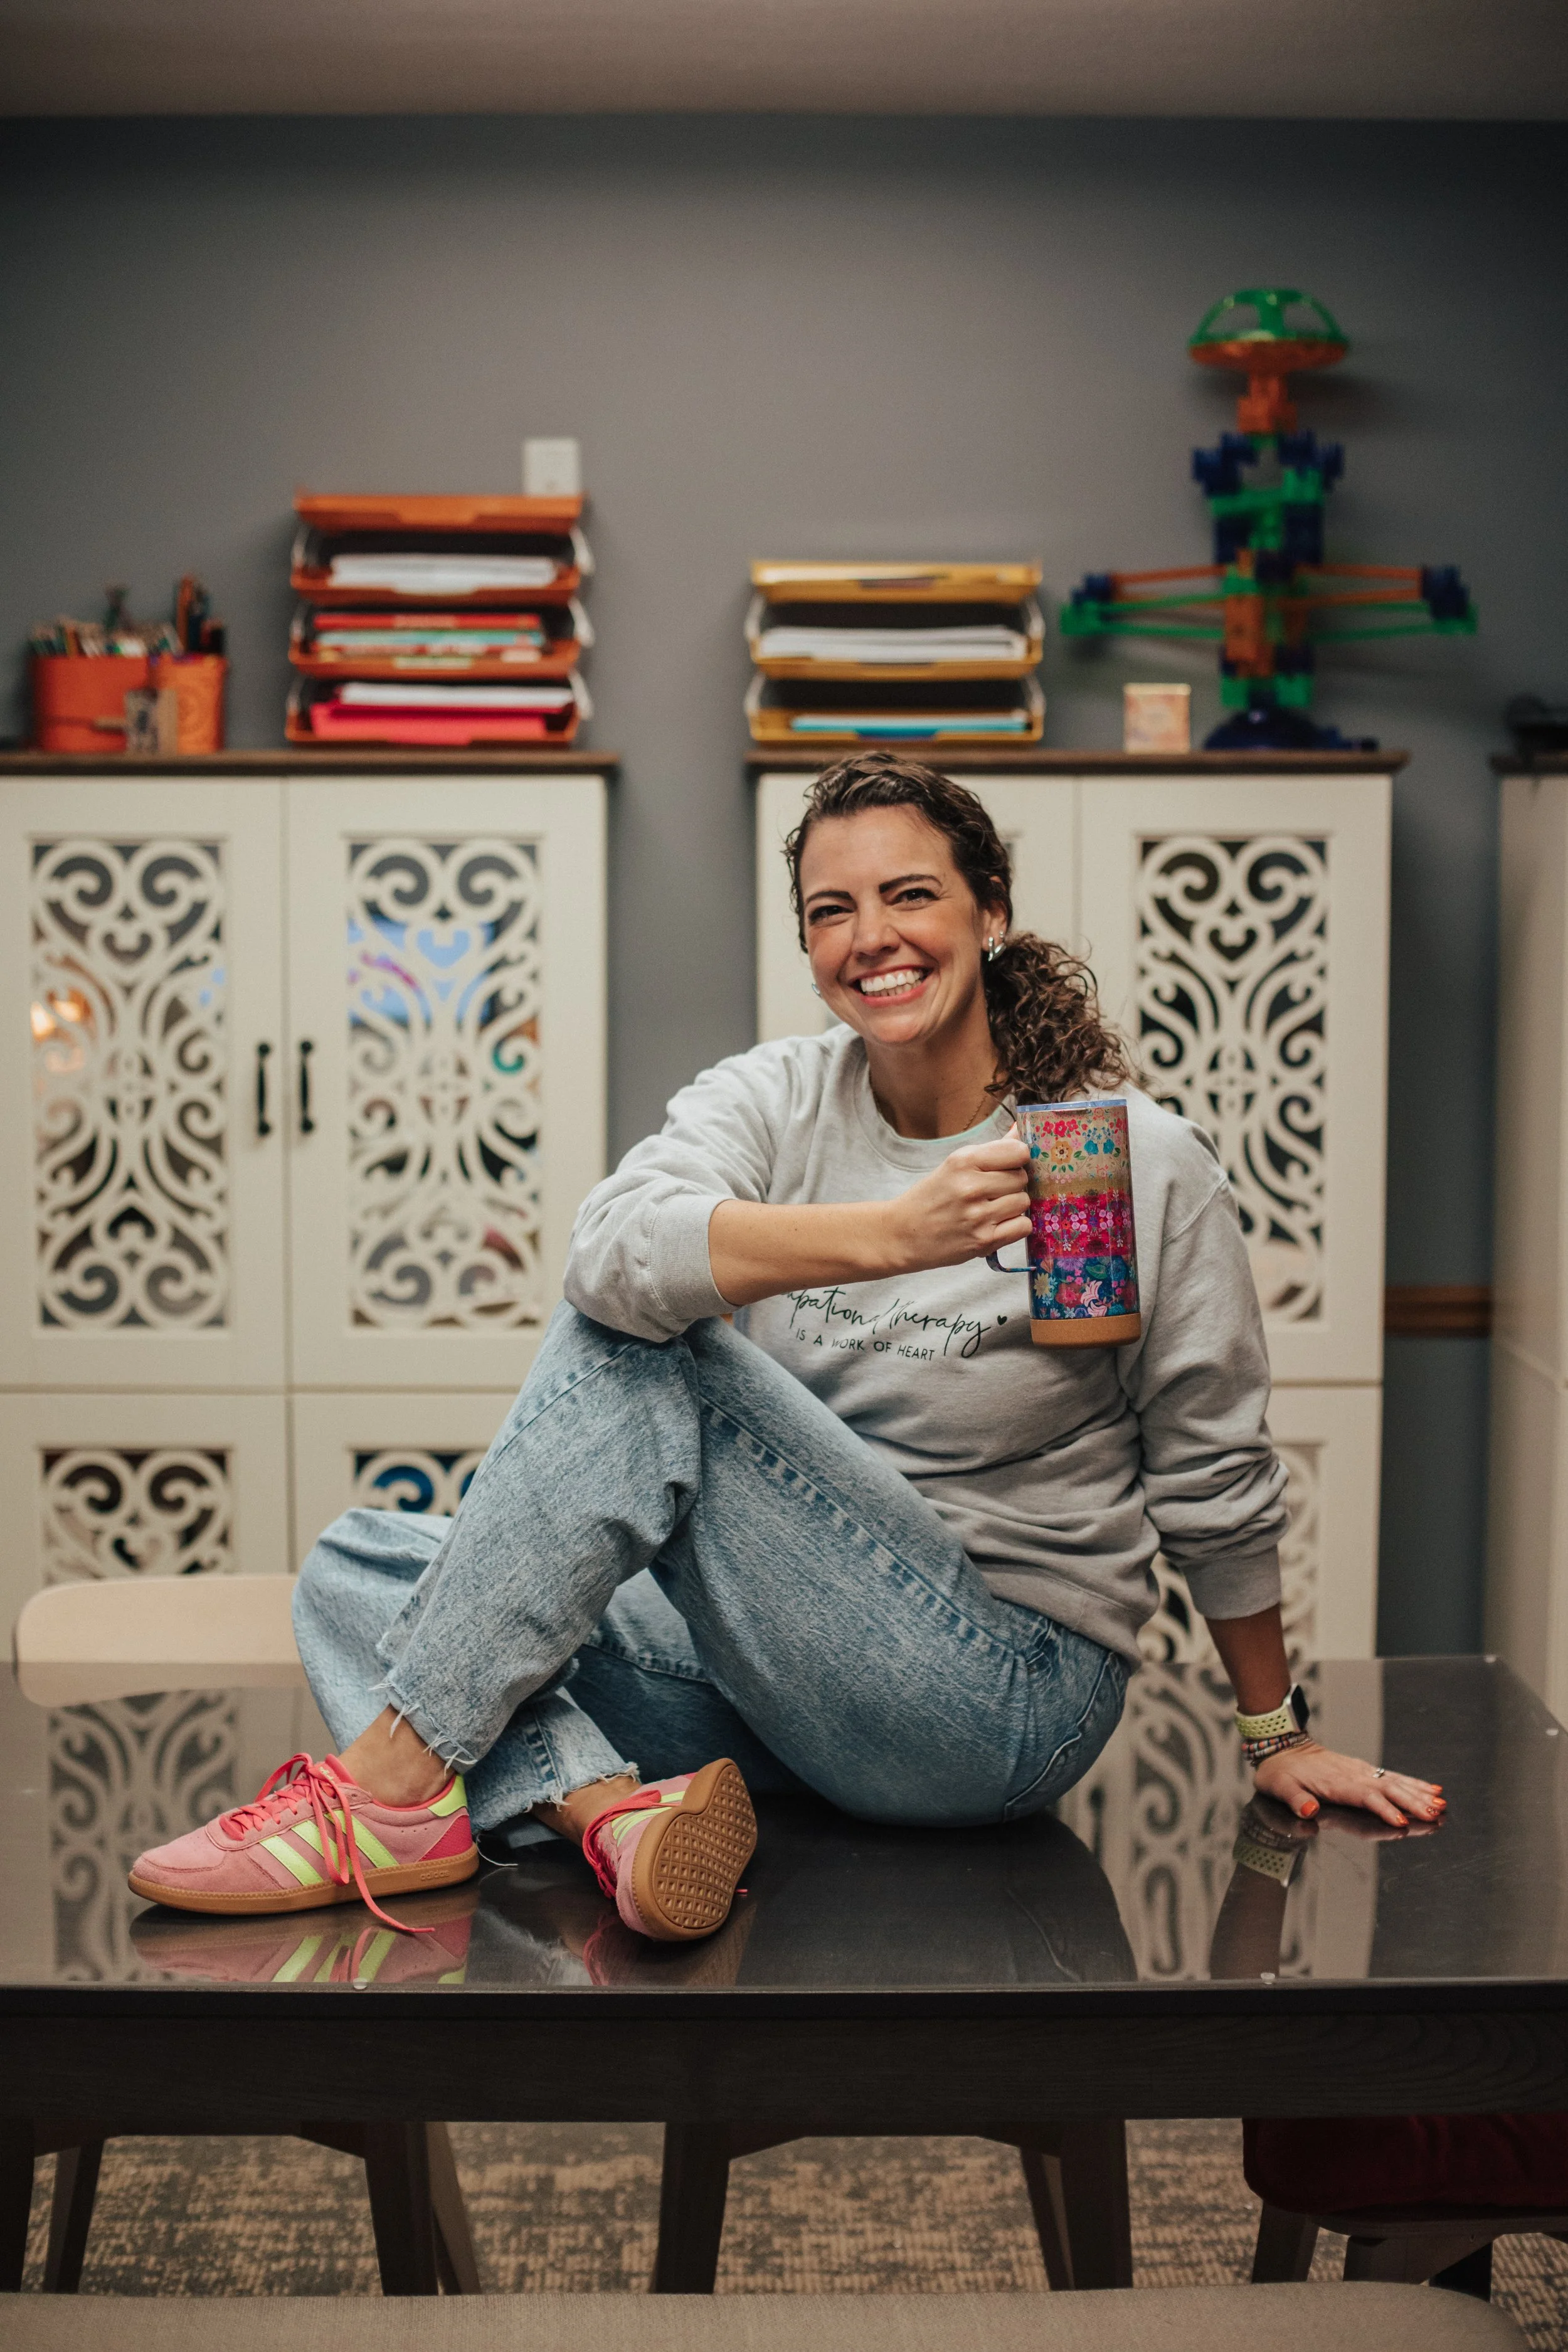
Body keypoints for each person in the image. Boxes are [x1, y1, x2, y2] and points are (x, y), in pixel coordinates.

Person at [129, 751, 1443, 1942]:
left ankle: (389, 1795)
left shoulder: (1113, 1161)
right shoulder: (777, 1098)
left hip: (1000, 1696)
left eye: (911, 896)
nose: (872, 938)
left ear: (989, 910)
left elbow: (1210, 1468)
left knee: (657, 1350)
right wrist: (889, 1235)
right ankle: (606, 1811)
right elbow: (609, 1246)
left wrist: (1272, 1735)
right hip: (787, 1694)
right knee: (363, 1561)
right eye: (831, 910)